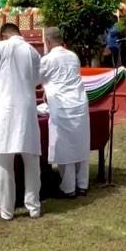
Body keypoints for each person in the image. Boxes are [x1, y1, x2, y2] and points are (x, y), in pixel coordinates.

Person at [0, 22, 42, 221]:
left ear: (3, 35)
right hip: (27, 110)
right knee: (31, 161)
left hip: (5, 110)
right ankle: (34, 207)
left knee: (3, 163)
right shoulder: (33, 52)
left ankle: (6, 210)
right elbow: (37, 80)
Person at [39, 27, 90, 198]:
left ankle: (68, 188)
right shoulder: (73, 56)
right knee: (81, 144)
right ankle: (82, 184)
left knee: (65, 146)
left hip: (62, 105)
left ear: (47, 41)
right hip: (79, 103)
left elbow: (37, 78)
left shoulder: (48, 59)